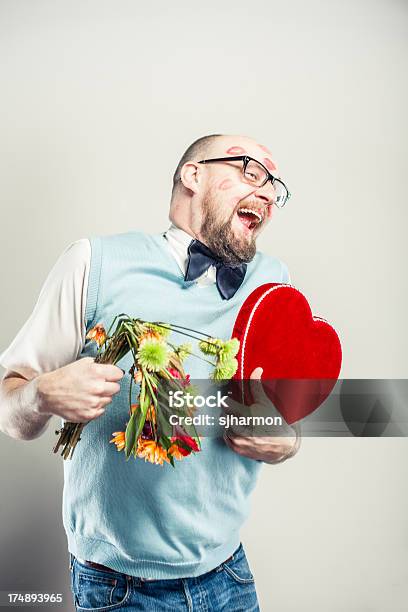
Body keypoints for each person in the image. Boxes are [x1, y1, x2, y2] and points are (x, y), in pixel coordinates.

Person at [0, 133, 301, 611]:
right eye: (250, 171)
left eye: (275, 186)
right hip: (118, 589)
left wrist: (284, 441)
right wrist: (40, 395)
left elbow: (284, 417)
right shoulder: (93, 263)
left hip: (229, 575)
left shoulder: (274, 283)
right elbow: (9, 407)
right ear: (193, 174)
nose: (267, 193)